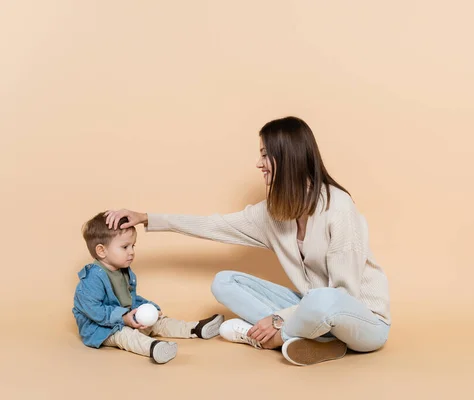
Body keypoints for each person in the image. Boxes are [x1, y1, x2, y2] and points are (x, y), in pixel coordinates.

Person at [105, 116, 391, 366]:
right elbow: (213, 225)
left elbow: (343, 295)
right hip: (312, 310)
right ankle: (317, 340)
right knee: (224, 281)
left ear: (287, 157)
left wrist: (279, 319)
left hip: (365, 322)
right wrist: (147, 218)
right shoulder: (273, 213)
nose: (258, 164)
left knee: (323, 298)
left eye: (265, 155)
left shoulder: (338, 208)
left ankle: (278, 337)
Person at [72, 212, 224, 364]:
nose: (131, 252)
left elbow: (131, 298)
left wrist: (150, 308)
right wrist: (123, 318)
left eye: (133, 246)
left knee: (157, 321)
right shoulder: (92, 278)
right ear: (101, 251)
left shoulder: (124, 271)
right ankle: (153, 347)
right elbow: (94, 310)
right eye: (125, 247)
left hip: (126, 319)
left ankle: (194, 329)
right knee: (125, 335)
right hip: (101, 329)